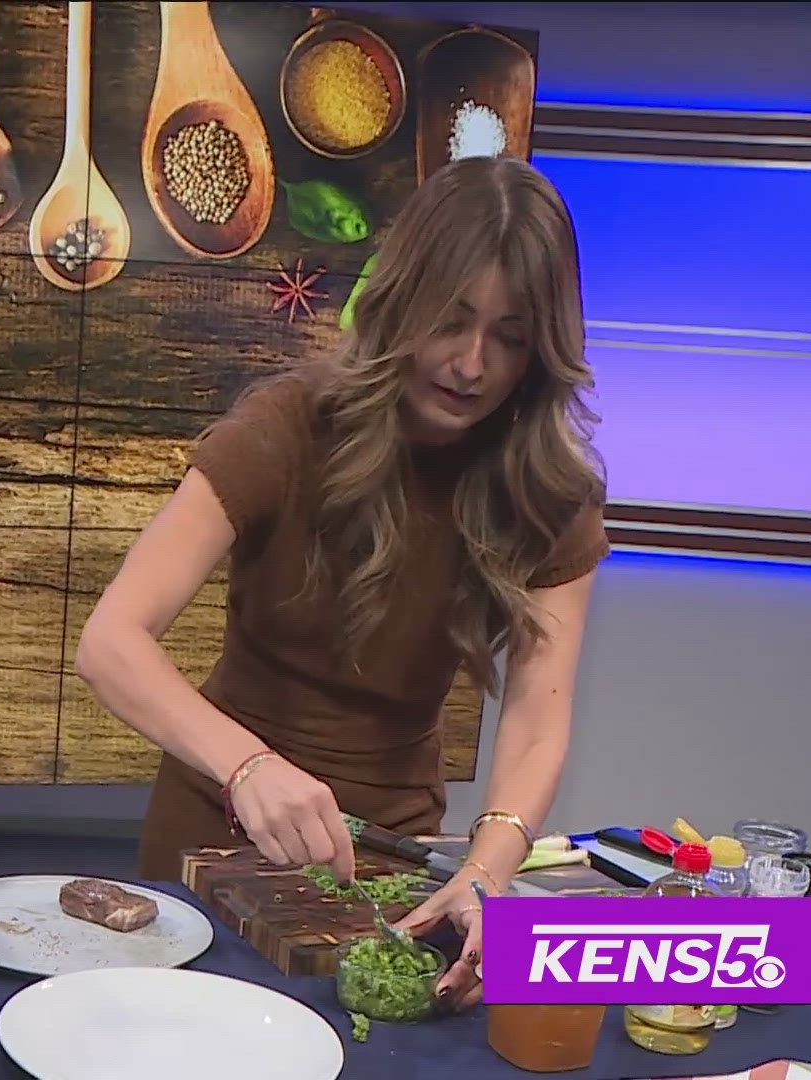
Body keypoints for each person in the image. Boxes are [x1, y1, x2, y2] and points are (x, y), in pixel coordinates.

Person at [74, 156, 607, 1008]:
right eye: (452, 319)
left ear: (540, 353)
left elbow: (541, 714)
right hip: (217, 829)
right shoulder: (286, 427)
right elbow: (110, 644)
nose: (471, 364)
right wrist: (248, 768)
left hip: (395, 851)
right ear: (403, 301)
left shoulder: (552, 493)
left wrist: (488, 868)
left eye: (508, 336)